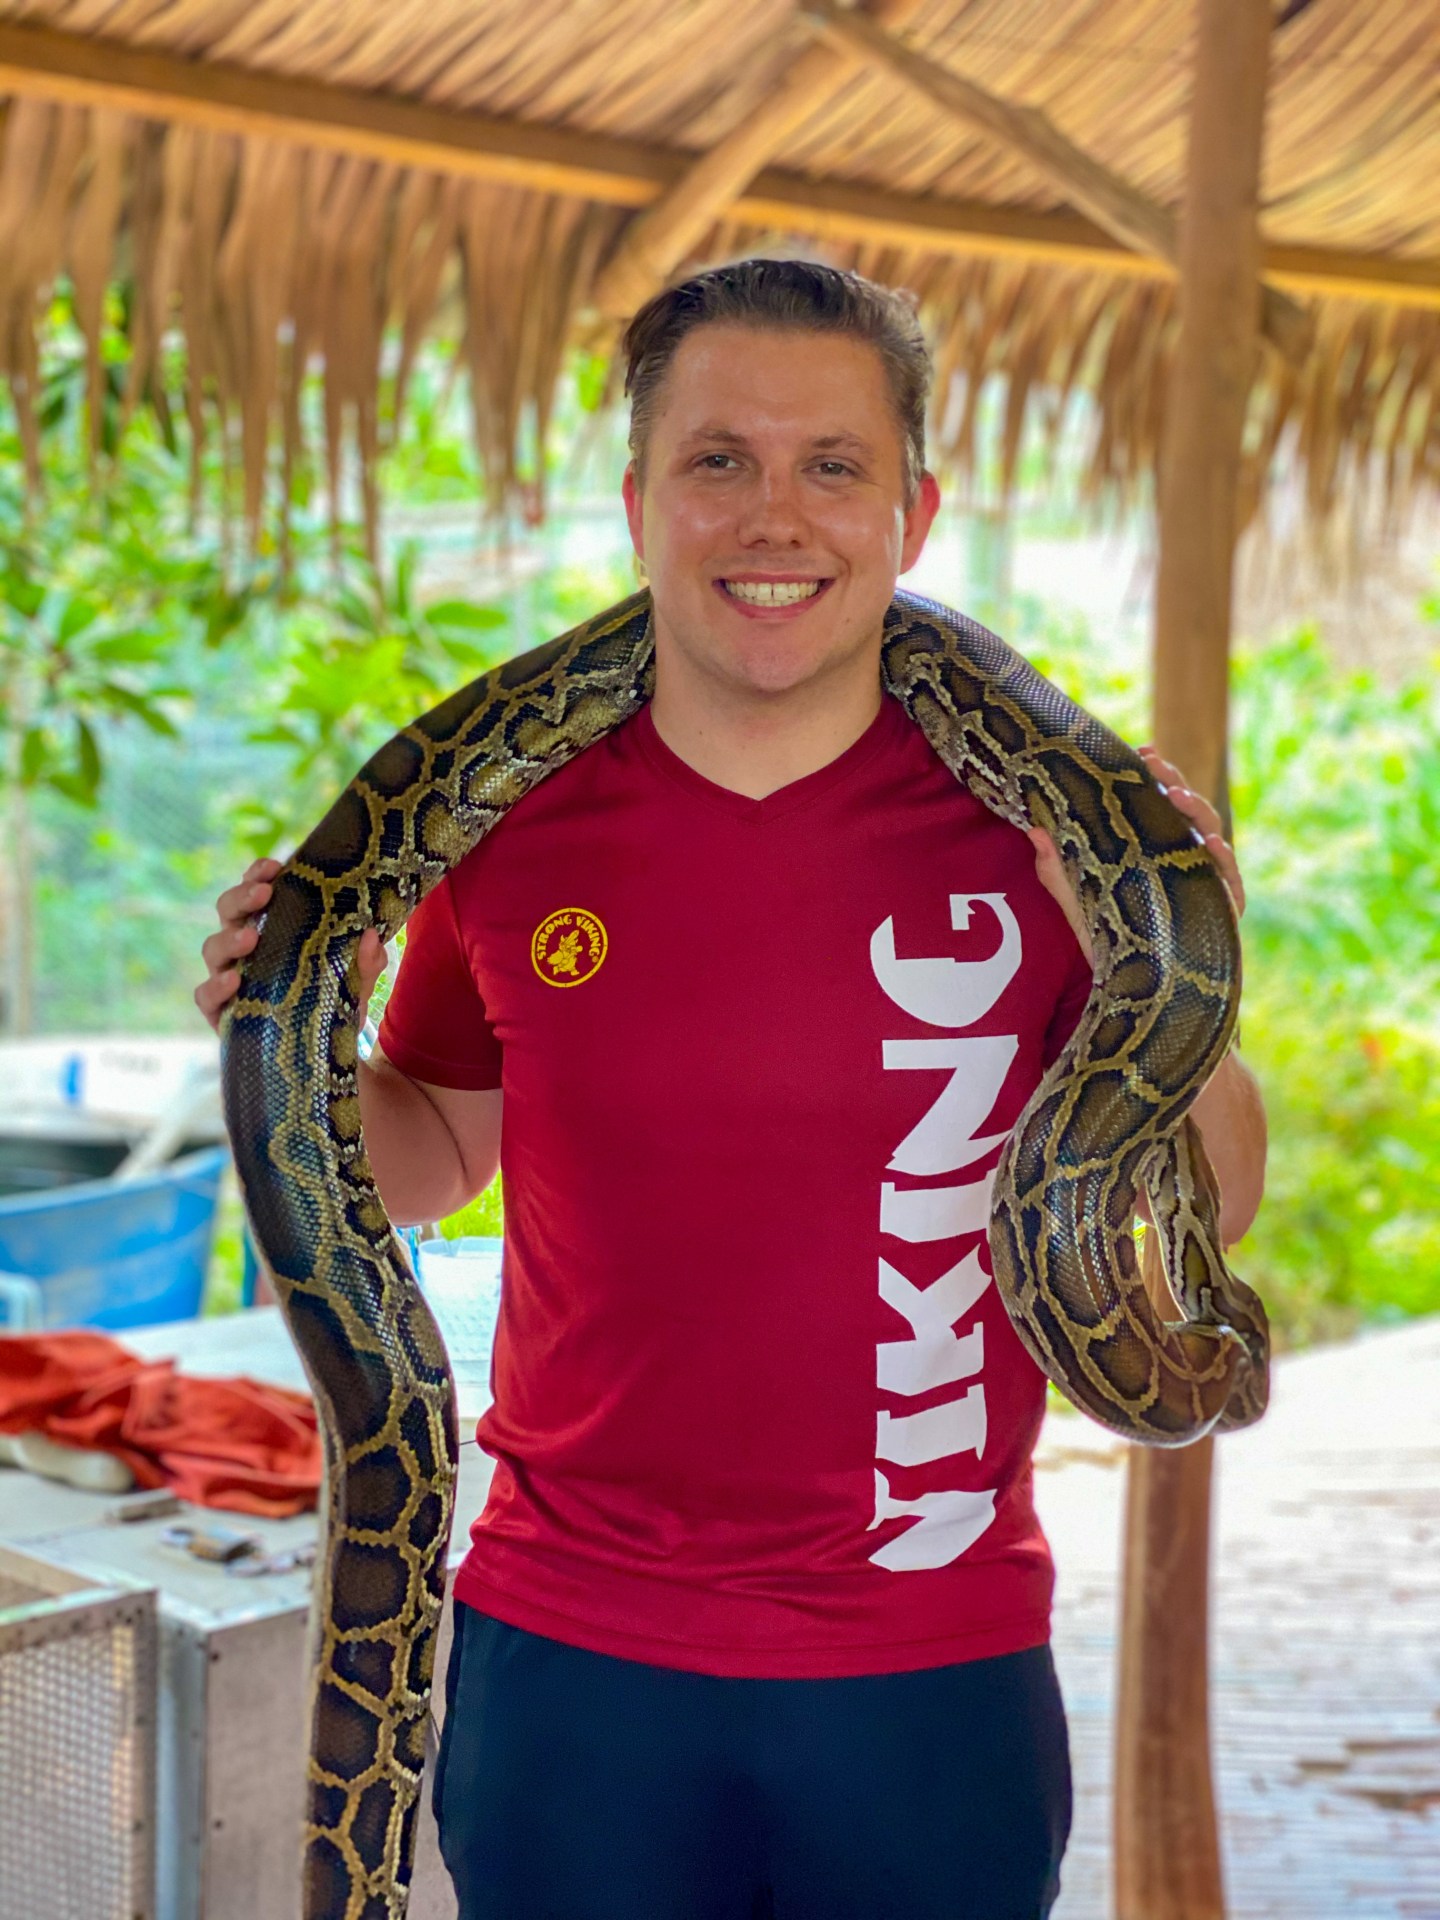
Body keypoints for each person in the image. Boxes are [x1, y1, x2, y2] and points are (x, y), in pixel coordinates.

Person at [196, 259, 1267, 1920]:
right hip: (572, 1651)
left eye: (832, 465)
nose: (775, 516)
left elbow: (1214, 1215)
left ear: (912, 515)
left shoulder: (1055, 838)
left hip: (932, 1655)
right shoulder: (506, 824)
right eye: (719, 461)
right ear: (641, 505)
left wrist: (1170, 969)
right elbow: (435, 1151)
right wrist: (294, 1050)